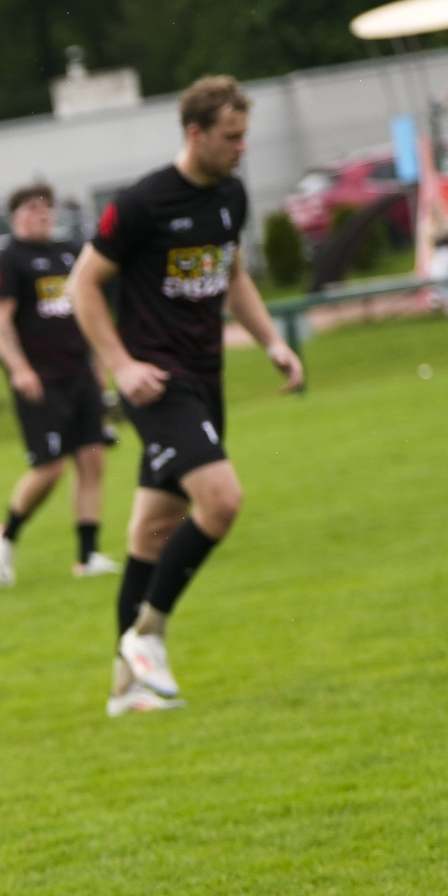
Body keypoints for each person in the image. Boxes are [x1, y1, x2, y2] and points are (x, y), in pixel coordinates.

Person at [68, 74, 306, 717]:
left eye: (244, 136)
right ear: (195, 134)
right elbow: (82, 284)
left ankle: (125, 691)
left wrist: (272, 342)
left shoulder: (230, 195)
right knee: (222, 501)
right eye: (230, 137)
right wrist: (120, 365)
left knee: (151, 533)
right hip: (157, 382)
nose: (241, 148)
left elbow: (233, 274)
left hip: (206, 381)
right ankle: (148, 635)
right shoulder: (143, 203)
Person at [0, 181, 119, 585]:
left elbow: (87, 309)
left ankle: (87, 556)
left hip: (79, 373)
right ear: (15, 216)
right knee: (50, 468)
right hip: (41, 380)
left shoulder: (68, 254)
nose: (42, 214)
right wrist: (19, 369)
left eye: (46, 207)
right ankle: (6, 534)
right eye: (32, 208)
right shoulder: (9, 261)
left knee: (92, 459)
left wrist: (98, 362)